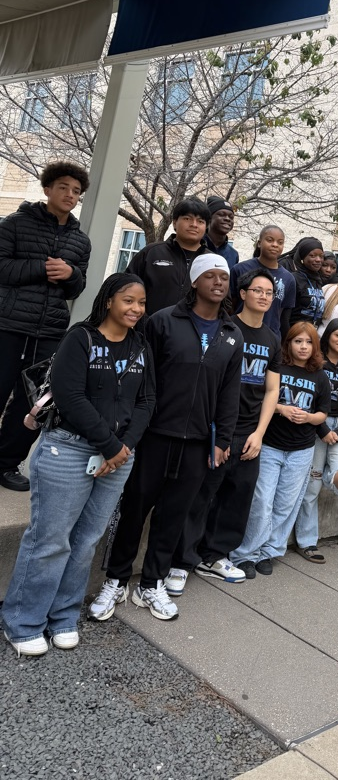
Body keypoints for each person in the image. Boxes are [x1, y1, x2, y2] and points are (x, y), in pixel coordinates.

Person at [2, 274, 153, 656]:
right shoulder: (80, 338)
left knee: (85, 542)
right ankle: (23, 621)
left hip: (118, 456)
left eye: (141, 303)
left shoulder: (140, 347)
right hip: (67, 450)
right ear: (108, 301)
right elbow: (69, 396)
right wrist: (110, 445)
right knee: (49, 539)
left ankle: (63, 616)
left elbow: (146, 401)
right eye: (128, 301)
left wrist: (123, 447)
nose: (136, 309)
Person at [89, 254, 242, 623]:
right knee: (134, 511)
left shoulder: (231, 334)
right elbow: (141, 381)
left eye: (224, 276)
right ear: (194, 281)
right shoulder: (162, 322)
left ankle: (152, 583)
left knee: (173, 516)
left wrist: (223, 440)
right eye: (211, 275)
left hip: (198, 442)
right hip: (154, 435)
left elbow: (229, 392)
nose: (219, 282)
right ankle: (116, 579)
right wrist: (132, 433)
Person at [168, 267, 281, 587]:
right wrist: (218, 431)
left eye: (269, 293)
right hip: (217, 428)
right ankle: (182, 560)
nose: (264, 297)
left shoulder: (272, 338)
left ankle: (215, 556)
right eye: (257, 290)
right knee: (202, 495)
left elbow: (272, 390)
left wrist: (259, 434)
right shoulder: (226, 329)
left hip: (250, 431)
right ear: (242, 294)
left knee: (238, 496)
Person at [0, 160, 91, 491]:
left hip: (50, 331)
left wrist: (71, 275)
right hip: (8, 324)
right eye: (64, 187)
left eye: (76, 191)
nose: (70, 194)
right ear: (48, 189)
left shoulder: (81, 241)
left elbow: (76, 288)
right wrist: (41, 267)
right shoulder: (14, 224)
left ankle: (7, 463)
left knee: (35, 401)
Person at [230, 322, 330, 576]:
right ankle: (246, 554)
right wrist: (281, 409)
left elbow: (322, 415)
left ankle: (270, 552)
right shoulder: (278, 367)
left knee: (285, 505)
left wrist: (308, 418)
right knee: (262, 501)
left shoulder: (320, 376)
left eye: (308, 342)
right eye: (298, 341)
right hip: (272, 445)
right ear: (289, 343)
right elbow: (261, 399)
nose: (303, 346)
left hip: (301, 450)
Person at [294, 318, 338, 563]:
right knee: (310, 491)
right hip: (315, 428)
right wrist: (322, 428)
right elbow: (309, 398)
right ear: (328, 336)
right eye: (337, 335)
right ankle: (307, 541)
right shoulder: (316, 363)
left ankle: (322, 473)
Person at [127, 196, 210, 315]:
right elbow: (126, 290)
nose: (194, 225)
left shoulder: (212, 261)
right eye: (187, 218)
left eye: (200, 221)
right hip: (148, 329)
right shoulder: (151, 253)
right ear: (175, 222)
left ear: (206, 227)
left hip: (192, 332)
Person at [230, 225, 295, 338]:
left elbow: (284, 316)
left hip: (270, 337)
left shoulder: (288, 278)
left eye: (280, 242)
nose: (275, 245)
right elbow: (231, 305)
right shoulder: (240, 269)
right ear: (259, 243)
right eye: (270, 240)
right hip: (239, 334)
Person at [281, 237, 326, 329]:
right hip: (293, 334)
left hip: (310, 336)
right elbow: (284, 315)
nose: (318, 259)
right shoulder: (293, 278)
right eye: (312, 256)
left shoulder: (317, 281)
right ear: (302, 258)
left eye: (321, 256)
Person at [204, 196, 239, 268]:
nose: (227, 219)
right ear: (210, 218)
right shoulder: (195, 245)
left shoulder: (233, 254)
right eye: (221, 214)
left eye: (231, 217)